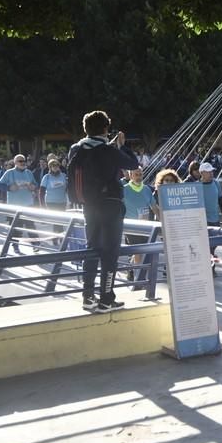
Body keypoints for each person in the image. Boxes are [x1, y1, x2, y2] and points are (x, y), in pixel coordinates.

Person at [69, 110, 139, 313]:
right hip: (110, 205)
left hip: (88, 206)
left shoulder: (76, 149)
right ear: (106, 128)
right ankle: (106, 298)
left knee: (92, 248)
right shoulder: (108, 150)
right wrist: (122, 145)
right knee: (110, 253)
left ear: (86, 128)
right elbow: (132, 164)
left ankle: (88, 296)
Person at [0, 154, 40, 253]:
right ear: (15, 163)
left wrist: (33, 187)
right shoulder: (9, 173)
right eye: (20, 161)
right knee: (16, 227)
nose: (23, 162)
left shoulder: (29, 172)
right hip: (14, 205)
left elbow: (35, 184)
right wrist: (9, 188)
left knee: (31, 225)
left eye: (24, 161)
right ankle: (15, 246)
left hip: (28, 204)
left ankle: (35, 245)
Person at [123, 167, 154, 281]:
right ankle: (139, 279)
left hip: (145, 227)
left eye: (141, 174)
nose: (139, 177)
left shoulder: (146, 189)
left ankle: (131, 269)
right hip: (131, 227)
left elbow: (154, 207)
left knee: (143, 251)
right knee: (138, 252)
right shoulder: (124, 189)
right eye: (136, 174)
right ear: (131, 176)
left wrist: (163, 220)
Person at [39, 158, 68, 244]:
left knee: (61, 220)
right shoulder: (46, 177)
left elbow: (67, 189)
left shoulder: (63, 175)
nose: (55, 167)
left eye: (57, 165)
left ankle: (56, 238)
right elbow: (41, 192)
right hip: (51, 202)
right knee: (57, 221)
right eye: (53, 166)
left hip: (62, 201)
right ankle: (59, 238)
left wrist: (70, 201)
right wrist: (42, 205)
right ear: (50, 167)